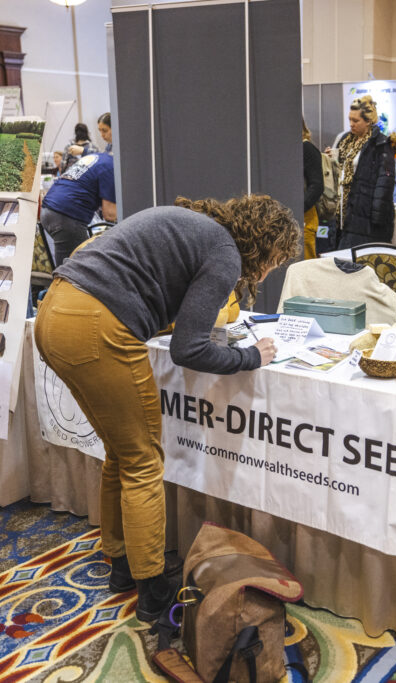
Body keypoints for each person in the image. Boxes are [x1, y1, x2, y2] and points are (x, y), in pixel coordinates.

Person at [34, 196, 299, 624]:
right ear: (265, 250)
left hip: (54, 313)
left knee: (120, 453)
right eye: (276, 261)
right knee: (142, 461)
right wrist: (253, 357)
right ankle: (153, 588)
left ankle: (121, 563)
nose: (269, 272)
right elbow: (188, 349)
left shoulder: (197, 228)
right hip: (94, 325)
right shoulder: (223, 253)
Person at [333, 95, 395, 250]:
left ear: (368, 121)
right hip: (344, 213)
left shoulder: (381, 144)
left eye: (356, 121)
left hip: (365, 215)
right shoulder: (345, 141)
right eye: (350, 120)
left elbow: (384, 183)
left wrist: (377, 219)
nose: (351, 124)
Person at [40, 151, 117, 265]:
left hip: (48, 209)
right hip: (66, 215)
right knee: (75, 268)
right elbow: (110, 214)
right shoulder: (111, 167)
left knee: (69, 263)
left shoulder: (97, 157)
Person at [301, 119, 323, 259]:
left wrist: (299, 207)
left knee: (306, 267)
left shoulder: (307, 148)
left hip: (306, 217)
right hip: (295, 217)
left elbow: (317, 186)